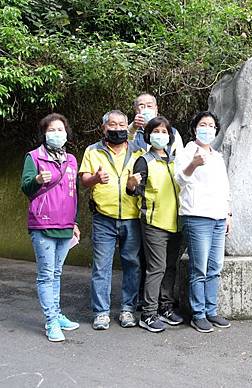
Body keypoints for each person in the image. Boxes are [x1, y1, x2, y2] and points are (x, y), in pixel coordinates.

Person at [79, 110, 145, 330]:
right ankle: (101, 312)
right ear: (104, 128)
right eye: (112, 125)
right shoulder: (93, 150)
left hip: (132, 217)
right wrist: (96, 178)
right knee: (101, 266)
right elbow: (84, 180)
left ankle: (128, 309)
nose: (117, 129)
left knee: (132, 265)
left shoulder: (139, 150)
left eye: (121, 125)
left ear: (128, 127)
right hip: (103, 218)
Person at [21, 113, 80, 342]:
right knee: (46, 275)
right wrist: (36, 180)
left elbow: (72, 193)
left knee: (57, 273)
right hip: (42, 223)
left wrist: (74, 222)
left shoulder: (72, 160)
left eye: (61, 129)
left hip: (65, 224)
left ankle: (57, 314)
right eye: (52, 130)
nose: (57, 133)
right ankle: (51, 321)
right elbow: (25, 187)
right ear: (44, 133)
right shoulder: (34, 157)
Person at [175, 111, 232, 333]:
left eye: (211, 125)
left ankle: (211, 310)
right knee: (199, 268)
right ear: (195, 128)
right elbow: (180, 179)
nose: (207, 128)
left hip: (218, 217)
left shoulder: (217, 156)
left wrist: (228, 214)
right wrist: (194, 164)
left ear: (216, 131)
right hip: (197, 216)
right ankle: (198, 313)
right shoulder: (187, 152)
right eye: (202, 124)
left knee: (215, 267)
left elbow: (225, 187)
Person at [126, 116, 184, 333]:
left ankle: (165, 307)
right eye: (156, 131)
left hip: (176, 221)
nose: (161, 135)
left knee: (171, 267)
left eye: (164, 131)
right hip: (154, 222)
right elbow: (133, 190)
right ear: (148, 136)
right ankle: (149, 313)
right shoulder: (144, 160)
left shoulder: (175, 159)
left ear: (170, 135)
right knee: (156, 268)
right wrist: (131, 185)